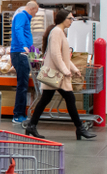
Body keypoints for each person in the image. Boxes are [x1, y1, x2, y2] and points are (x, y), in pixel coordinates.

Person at [23, 9, 95, 141]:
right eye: (70, 18)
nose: (71, 21)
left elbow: (64, 55)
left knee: (47, 100)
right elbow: (56, 55)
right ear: (63, 19)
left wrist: (73, 69)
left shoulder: (60, 32)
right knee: (68, 99)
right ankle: (80, 129)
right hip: (57, 74)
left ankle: (32, 126)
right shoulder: (56, 32)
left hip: (57, 74)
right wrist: (66, 71)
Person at [10, 1, 39, 125]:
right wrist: (24, 47)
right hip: (20, 53)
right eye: (35, 12)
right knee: (22, 84)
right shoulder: (21, 16)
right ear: (31, 9)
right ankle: (18, 115)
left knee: (24, 84)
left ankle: (20, 113)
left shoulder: (24, 18)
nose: (35, 15)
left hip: (24, 53)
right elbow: (18, 30)